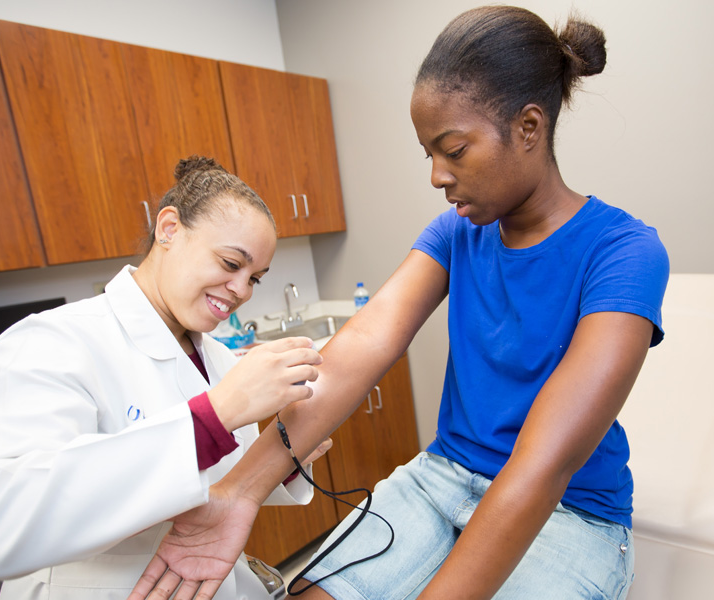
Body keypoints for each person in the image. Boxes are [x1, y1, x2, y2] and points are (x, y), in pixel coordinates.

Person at [127, 6, 670, 600]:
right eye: (429, 154)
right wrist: (239, 491)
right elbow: (358, 348)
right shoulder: (455, 235)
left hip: (570, 513)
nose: (437, 175)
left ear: (529, 128)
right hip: (441, 480)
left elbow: (544, 467)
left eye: (454, 150)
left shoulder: (624, 251)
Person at [0, 156, 330, 600]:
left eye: (255, 279)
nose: (241, 290)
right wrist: (213, 416)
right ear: (168, 229)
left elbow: (221, 489)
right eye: (229, 264)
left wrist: (285, 454)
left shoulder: (220, 360)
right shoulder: (51, 343)